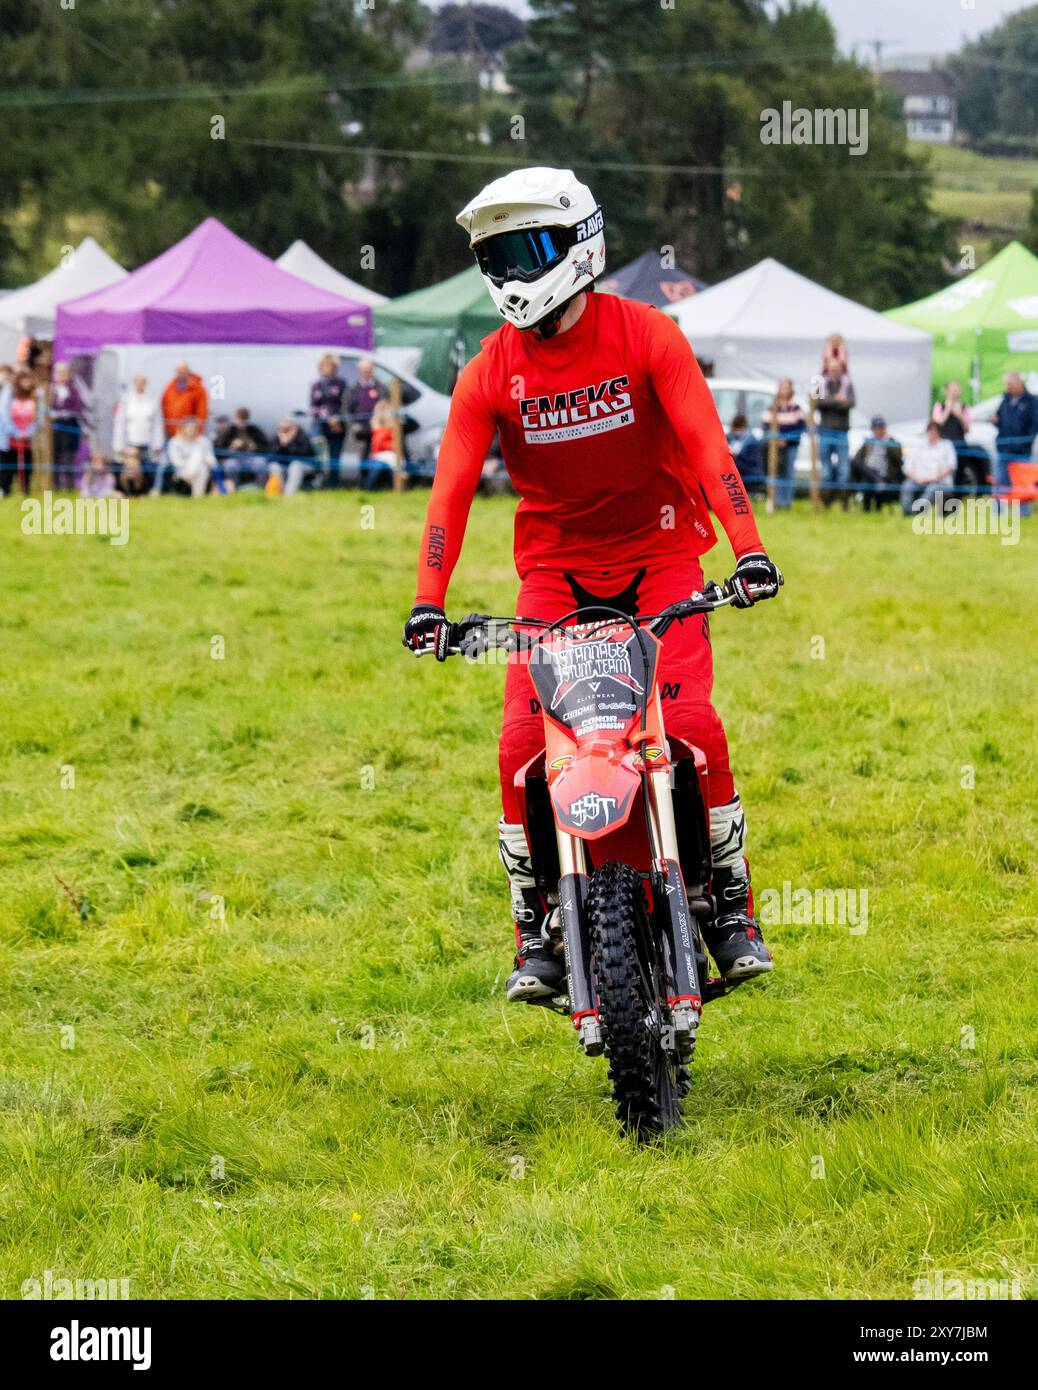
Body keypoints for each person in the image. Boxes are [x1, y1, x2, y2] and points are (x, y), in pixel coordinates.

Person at [402, 165, 782, 1002]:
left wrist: (747, 549)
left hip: (663, 558)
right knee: (517, 751)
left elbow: (710, 448)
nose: (507, 274)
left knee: (689, 725)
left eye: (524, 249)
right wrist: (429, 602)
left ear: (581, 246)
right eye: (493, 258)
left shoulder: (648, 335)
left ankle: (729, 907)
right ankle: (534, 927)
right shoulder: (487, 372)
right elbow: (449, 495)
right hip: (554, 579)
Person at [991, 372, 1038, 516]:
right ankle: (997, 513)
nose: (1008, 387)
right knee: (999, 481)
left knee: (1023, 484)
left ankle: (1024, 515)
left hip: (1022, 452)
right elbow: (1000, 418)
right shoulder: (1005, 399)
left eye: (1010, 384)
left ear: (1019, 383)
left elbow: (1034, 424)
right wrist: (995, 421)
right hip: (1003, 449)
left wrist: (1024, 443)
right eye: (1007, 385)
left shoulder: (1032, 401)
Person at [816, 356, 855, 510]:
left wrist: (830, 402)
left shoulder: (848, 384)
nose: (835, 372)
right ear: (828, 369)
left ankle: (844, 502)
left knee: (843, 470)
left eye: (837, 369)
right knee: (825, 470)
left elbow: (851, 403)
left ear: (841, 370)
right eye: (832, 369)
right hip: (825, 432)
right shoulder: (820, 383)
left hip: (841, 433)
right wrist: (837, 400)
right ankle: (826, 502)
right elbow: (819, 403)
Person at [764, 379, 807, 509]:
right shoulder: (772, 406)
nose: (784, 389)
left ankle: (786, 503)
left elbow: (801, 427)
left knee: (788, 473)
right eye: (782, 386)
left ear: (791, 389)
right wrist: (776, 438)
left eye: (786, 387)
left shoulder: (796, 407)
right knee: (774, 472)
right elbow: (766, 424)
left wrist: (786, 439)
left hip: (791, 446)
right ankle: (775, 501)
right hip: (774, 446)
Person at [113, 375, 165, 479]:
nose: (139, 384)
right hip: (130, 442)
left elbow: (157, 425)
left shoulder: (152, 401)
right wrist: (118, 445)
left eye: (142, 382)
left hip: (147, 442)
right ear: (133, 383)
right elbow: (120, 424)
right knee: (130, 470)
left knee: (147, 469)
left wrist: (158, 443)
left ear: (146, 384)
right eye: (137, 382)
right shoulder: (126, 401)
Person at [900, 421, 956, 515]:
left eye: (935, 431)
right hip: (918, 480)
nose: (932, 434)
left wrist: (934, 477)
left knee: (932, 488)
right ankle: (908, 512)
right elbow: (907, 466)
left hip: (938, 481)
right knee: (907, 486)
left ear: (939, 432)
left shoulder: (946, 445)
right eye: (930, 431)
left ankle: (919, 511)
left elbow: (951, 466)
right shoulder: (917, 445)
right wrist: (917, 478)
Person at [309, 354, 348, 485]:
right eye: (325, 365)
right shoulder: (316, 385)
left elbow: (346, 404)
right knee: (318, 449)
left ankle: (334, 484)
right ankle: (318, 479)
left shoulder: (342, 384)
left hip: (338, 426)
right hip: (321, 425)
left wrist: (337, 419)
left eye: (330, 365)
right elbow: (313, 407)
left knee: (335, 457)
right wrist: (327, 418)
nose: (327, 367)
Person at [851, 416, 904, 512]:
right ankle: (877, 481)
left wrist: (888, 442)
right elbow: (857, 459)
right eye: (876, 428)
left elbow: (898, 459)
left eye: (881, 427)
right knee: (864, 473)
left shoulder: (892, 442)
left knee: (869, 480)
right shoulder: (868, 443)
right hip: (869, 473)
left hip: (885, 475)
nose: (879, 430)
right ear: (872, 429)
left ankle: (878, 483)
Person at [49, 361, 86, 491]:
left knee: (69, 456)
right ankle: (56, 485)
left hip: (70, 426)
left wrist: (60, 414)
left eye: (64, 373)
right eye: (59, 373)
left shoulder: (74, 389)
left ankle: (70, 486)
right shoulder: (50, 389)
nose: (62, 376)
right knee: (56, 456)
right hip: (54, 427)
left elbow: (78, 408)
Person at [215, 407, 269, 488]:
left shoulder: (255, 430)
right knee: (230, 465)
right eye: (240, 421)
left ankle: (261, 488)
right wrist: (231, 448)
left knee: (261, 463)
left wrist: (256, 447)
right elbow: (219, 451)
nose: (242, 424)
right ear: (235, 419)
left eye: (245, 422)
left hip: (251, 457)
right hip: (234, 458)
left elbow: (267, 448)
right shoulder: (229, 431)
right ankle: (233, 489)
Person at [165, 417, 215, 497]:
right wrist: (190, 465)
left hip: (200, 469)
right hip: (181, 471)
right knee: (198, 459)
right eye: (189, 428)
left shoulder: (204, 441)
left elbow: (210, 458)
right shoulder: (175, 442)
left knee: (201, 467)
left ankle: (197, 495)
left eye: (194, 428)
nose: (191, 430)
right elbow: (175, 461)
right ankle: (198, 495)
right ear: (182, 429)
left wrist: (210, 463)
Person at [348, 357, 384, 463]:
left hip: (377, 427)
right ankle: (364, 477)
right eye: (364, 371)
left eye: (369, 371)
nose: (366, 373)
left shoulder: (381, 387)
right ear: (359, 372)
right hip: (360, 427)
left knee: (376, 454)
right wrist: (353, 425)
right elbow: (346, 408)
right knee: (362, 455)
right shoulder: (352, 388)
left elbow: (386, 406)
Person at [8, 369, 38, 495]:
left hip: (28, 438)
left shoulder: (35, 397)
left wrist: (28, 432)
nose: (26, 383)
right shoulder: (10, 396)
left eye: (28, 380)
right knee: (10, 464)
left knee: (27, 464)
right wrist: (15, 432)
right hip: (11, 438)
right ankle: (6, 490)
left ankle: (25, 490)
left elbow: (38, 418)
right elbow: (4, 416)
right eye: (23, 380)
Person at [161, 361, 208, 439]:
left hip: (189, 432)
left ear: (188, 370)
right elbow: (163, 407)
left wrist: (198, 429)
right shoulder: (170, 387)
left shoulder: (198, 388)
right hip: (171, 432)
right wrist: (165, 428)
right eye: (178, 370)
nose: (180, 372)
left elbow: (202, 411)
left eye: (183, 369)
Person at [268, 417, 315, 495]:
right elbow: (271, 457)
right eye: (281, 429)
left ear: (294, 428)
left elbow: (304, 454)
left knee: (295, 465)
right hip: (283, 465)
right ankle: (278, 491)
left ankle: (288, 494)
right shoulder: (276, 438)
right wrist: (282, 445)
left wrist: (290, 443)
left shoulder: (302, 437)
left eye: (288, 428)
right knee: (274, 466)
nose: (284, 431)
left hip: (304, 465)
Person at [726, 413, 762, 494]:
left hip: (748, 470)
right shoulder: (728, 438)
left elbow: (752, 461)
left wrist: (739, 455)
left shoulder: (752, 441)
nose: (737, 431)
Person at [0, 363, 13, 497]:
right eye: (3, 373)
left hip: (5, 433)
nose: (5, 376)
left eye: (8, 373)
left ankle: (4, 488)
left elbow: (5, 412)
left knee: (5, 461)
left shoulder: (11, 390)